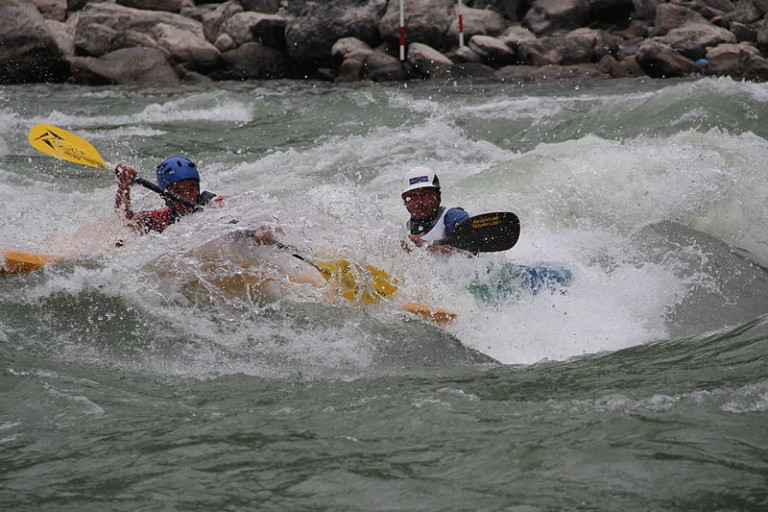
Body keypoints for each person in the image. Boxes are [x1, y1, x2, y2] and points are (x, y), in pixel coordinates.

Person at [114, 156, 223, 234]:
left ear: (198, 188)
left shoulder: (212, 203)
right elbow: (127, 220)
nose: (187, 195)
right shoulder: (162, 219)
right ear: (164, 195)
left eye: (191, 188)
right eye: (178, 190)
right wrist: (124, 188)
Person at [400, 166, 470, 255]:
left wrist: (425, 245)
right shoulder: (404, 231)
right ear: (404, 200)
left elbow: (469, 254)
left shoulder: (454, 217)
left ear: (438, 196)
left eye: (426, 194)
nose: (420, 201)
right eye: (413, 195)